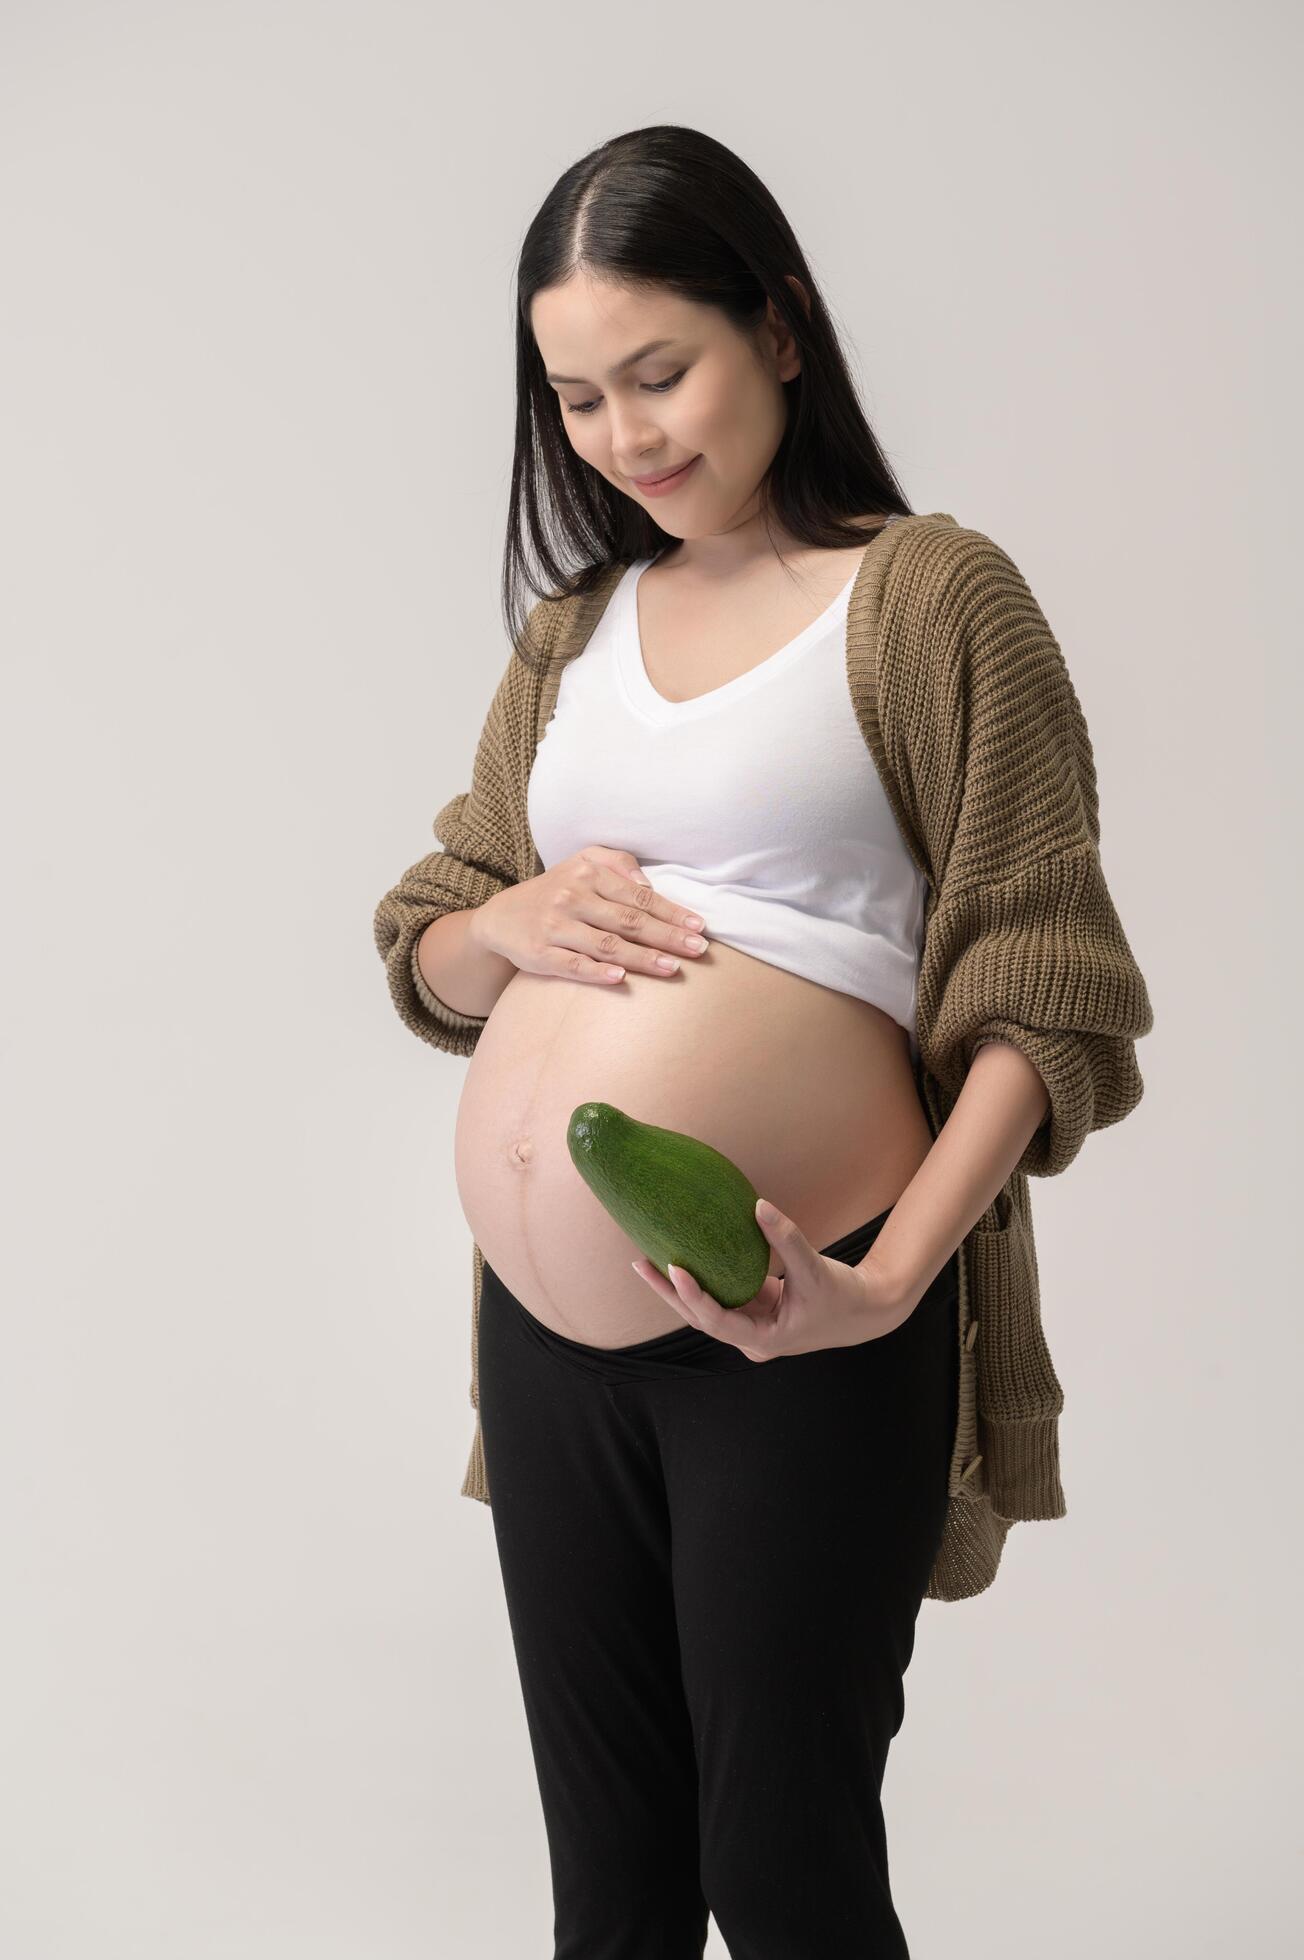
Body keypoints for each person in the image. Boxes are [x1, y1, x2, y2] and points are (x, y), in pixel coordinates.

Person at [372, 123, 1154, 1960]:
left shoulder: (935, 599)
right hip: (551, 1349)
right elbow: (434, 940)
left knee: (784, 1871)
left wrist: (890, 1285)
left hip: (798, 1322)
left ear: (782, 332)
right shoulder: (575, 634)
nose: (628, 439)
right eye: (576, 399)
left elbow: (1049, 982)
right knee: (614, 1894)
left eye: (663, 372)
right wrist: (508, 925)